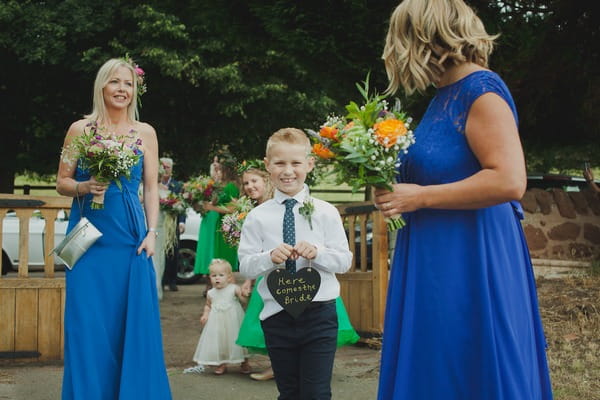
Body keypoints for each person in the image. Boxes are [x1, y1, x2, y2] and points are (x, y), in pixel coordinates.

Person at [373, 1, 553, 399]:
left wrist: (420, 197)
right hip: (434, 255)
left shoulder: (480, 91)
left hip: (472, 255)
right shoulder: (443, 96)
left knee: (468, 359)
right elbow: (440, 168)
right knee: (438, 362)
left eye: (399, 37)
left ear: (423, 38)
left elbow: (509, 180)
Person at [56, 58, 171, 399]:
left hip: (130, 238)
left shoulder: (145, 132)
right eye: (114, 82)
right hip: (88, 239)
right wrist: (84, 186)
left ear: (135, 90)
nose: (122, 89)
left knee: (131, 324)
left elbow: (151, 189)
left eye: (128, 84)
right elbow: (62, 181)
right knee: (88, 326)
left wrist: (151, 233)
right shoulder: (80, 130)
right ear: (101, 87)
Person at [239, 128, 353, 399]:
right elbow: (245, 265)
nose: (287, 171)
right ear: (268, 165)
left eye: (295, 163)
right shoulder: (257, 217)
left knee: (316, 393)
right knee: (289, 392)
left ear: (310, 165)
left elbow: (344, 261)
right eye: (279, 163)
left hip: (319, 314)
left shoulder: (326, 212)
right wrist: (268, 258)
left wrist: (317, 252)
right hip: (277, 316)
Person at [189, 258, 251, 375]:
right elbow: (208, 305)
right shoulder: (211, 293)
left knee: (238, 341)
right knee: (220, 342)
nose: (217, 278)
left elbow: (243, 301)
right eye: (213, 275)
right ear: (210, 278)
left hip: (234, 321)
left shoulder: (233, 289)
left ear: (228, 277)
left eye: (221, 275)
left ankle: (244, 362)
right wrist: (205, 314)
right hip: (217, 322)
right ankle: (222, 363)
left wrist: (245, 295)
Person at [194, 152, 240, 294]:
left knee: (223, 258)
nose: (217, 172)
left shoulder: (231, 186)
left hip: (225, 226)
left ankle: (227, 288)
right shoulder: (219, 186)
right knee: (214, 255)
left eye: (219, 169)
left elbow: (234, 208)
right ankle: (215, 286)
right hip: (216, 224)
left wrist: (212, 207)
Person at [159, 157, 186, 292]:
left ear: (171, 169)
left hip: (172, 222)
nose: (165, 169)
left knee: (173, 252)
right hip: (159, 221)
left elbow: (182, 205)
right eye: (162, 166)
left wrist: (182, 222)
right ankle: (161, 280)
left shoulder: (177, 185)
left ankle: (172, 281)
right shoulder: (153, 184)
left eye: (167, 167)